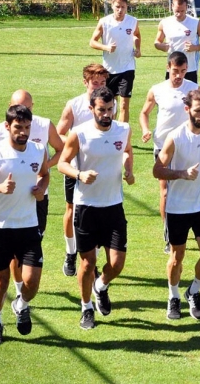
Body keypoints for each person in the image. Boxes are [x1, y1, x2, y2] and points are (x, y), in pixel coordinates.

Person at [0, 105, 49, 345]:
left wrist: (41, 188)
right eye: (18, 127)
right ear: (7, 127)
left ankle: (20, 305)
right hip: (0, 228)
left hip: (29, 226)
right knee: (0, 283)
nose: (23, 132)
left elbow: (45, 174)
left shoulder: (38, 150)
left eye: (27, 127)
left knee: (32, 282)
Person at [58, 87, 135, 330]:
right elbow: (62, 163)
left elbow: (127, 151)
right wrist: (79, 174)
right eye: (101, 109)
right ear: (91, 108)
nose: (106, 114)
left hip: (113, 207)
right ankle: (86, 308)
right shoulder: (79, 133)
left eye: (110, 109)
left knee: (117, 263)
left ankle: (100, 286)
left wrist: (129, 170)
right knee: (87, 263)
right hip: (86, 208)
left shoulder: (123, 129)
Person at [153, 90, 200, 321]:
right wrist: (182, 173)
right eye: (198, 110)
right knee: (177, 257)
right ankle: (173, 296)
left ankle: (193, 291)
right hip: (178, 207)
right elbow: (157, 170)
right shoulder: (176, 137)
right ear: (187, 110)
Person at [0, 90, 63, 299]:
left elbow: (59, 150)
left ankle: (23, 294)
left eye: (27, 108)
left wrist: (41, 170)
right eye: (17, 108)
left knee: (30, 250)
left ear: (33, 107)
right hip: (5, 206)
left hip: (37, 199)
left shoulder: (44, 126)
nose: (23, 113)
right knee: (10, 259)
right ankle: (19, 288)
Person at [139, 51, 199, 253]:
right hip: (162, 146)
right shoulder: (157, 90)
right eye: (175, 71)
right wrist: (145, 129)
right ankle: (169, 235)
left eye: (183, 71)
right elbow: (144, 112)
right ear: (168, 68)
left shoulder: (193, 89)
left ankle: (192, 226)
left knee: (188, 188)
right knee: (165, 191)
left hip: (186, 146)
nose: (179, 75)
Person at [57, 64, 111, 277]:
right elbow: (58, 134)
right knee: (71, 210)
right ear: (85, 82)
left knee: (98, 213)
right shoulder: (74, 105)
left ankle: (92, 260)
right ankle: (70, 253)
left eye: (103, 82)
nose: (99, 87)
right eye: (95, 83)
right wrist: (78, 144)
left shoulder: (109, 103)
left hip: (100, 168)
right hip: (76, 168)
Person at [89, 0, 141, 123]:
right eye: (117, 7)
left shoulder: (133, 21)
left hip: (127, 67)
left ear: (127, 7)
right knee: (111, 104)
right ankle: (110, 129)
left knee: (124, 105)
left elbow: (136, 35)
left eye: (123, 7)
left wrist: (138, 48)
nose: (120, 10)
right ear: (112, 6)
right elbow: (92, 42)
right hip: (109, 69)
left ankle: (122, 133)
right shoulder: (104, 22)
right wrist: (106, 47)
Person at [154, 0, 200, 83]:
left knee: (191, 92)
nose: (179, 14)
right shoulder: (165, 23)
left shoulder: (196, 23)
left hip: (190, 69)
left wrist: (195, 47)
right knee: (170, 92)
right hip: (172, 69)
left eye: (182, 11)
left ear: (186, 8)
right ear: (172, 6)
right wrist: (162, 46)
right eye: (177, 11)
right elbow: (157, 42)